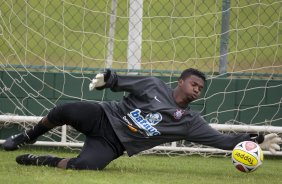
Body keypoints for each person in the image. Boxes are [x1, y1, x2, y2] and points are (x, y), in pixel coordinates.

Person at [2, 68, 281, 170]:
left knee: (86, 166)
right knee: (66, 110)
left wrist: (255, 140)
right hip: (104, 116)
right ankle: (26, 137)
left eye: (200, 88)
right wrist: (106, 80)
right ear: (181, 82)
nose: (197, 90)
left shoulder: (190, 121)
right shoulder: (153, 85)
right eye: (194, 84)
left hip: (114, 144)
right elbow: (119, 81)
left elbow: (221, 141)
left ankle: (39, 160)